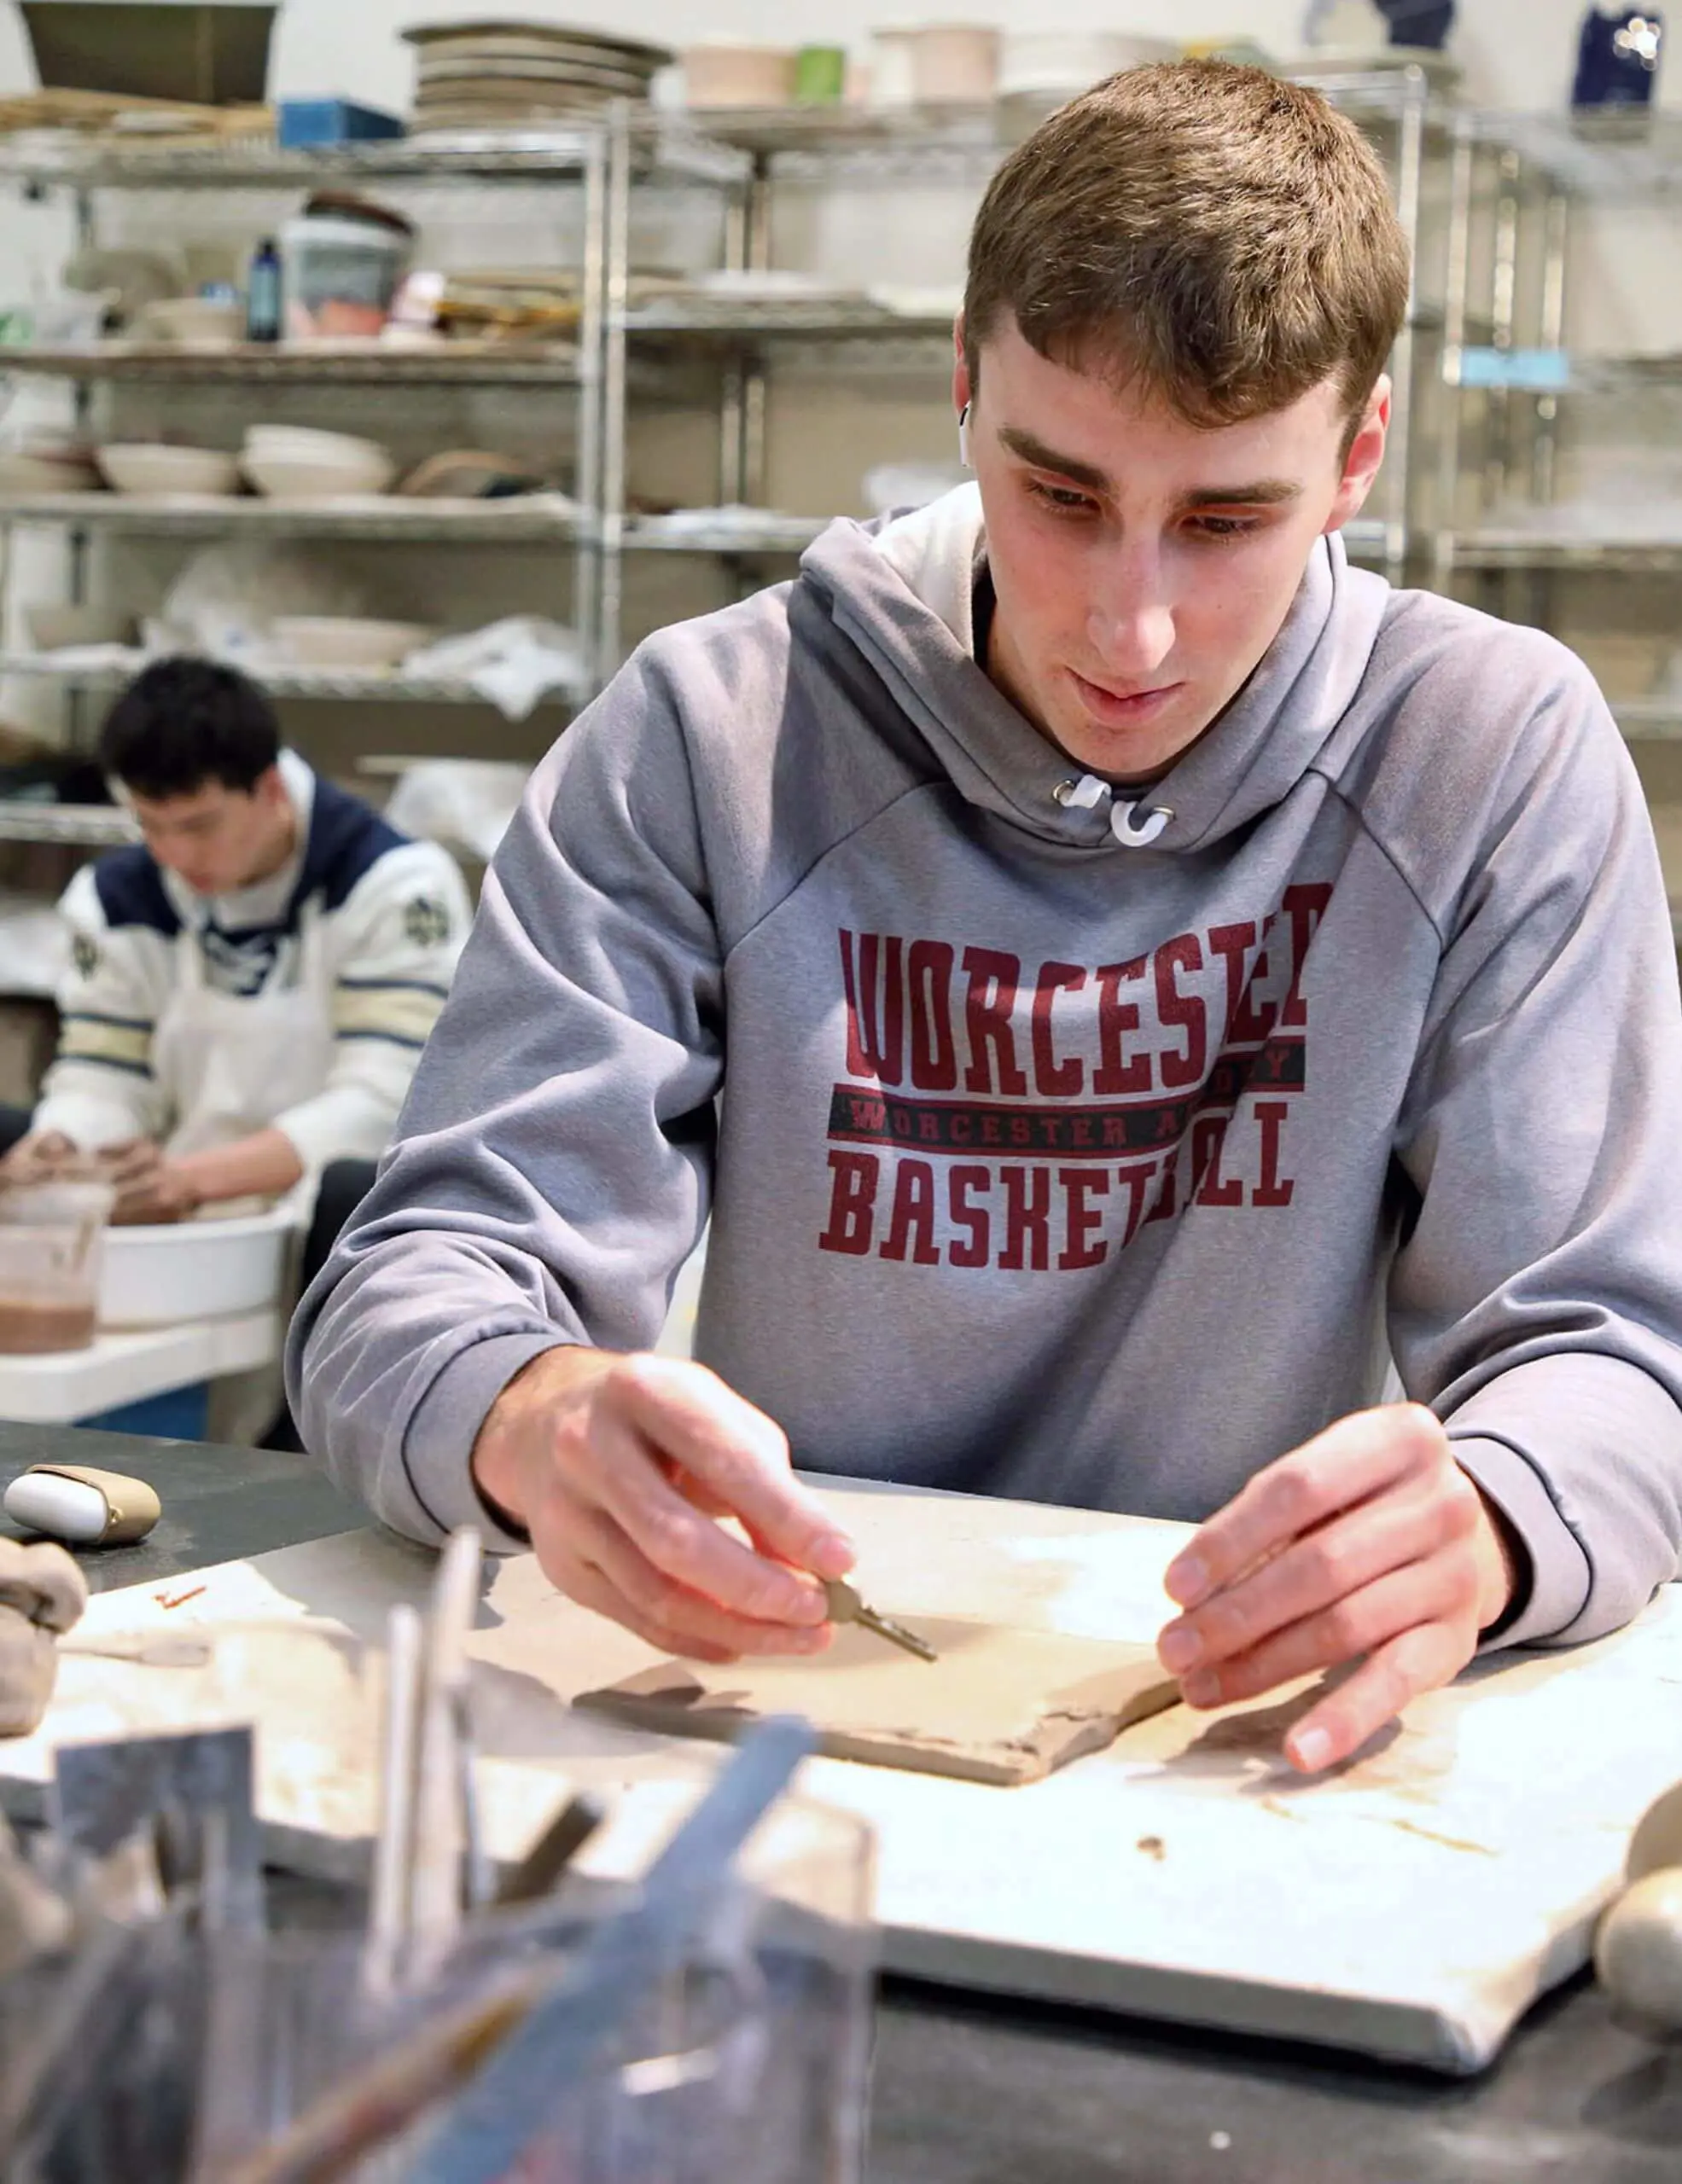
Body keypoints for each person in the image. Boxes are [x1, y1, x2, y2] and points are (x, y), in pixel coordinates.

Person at [288, 61, 1682, 1776]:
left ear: (1355, 459)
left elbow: (1612, 1352)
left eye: (1225, 520)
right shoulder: (714, 736)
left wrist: (1492, 1512)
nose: (1134, 629)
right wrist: (527, 1414)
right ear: (960, 389)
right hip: (774, 1721)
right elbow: (406, 1290)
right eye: (1062, 495)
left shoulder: (1486, 749)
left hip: (1235, 1739)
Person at [2, 657, 470, 1306]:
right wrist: (63, 1150)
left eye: (199, 826)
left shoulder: (393, 886)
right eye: (150, 826)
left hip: (333, 1230)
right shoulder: (115, 899)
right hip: (176, 1216)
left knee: (348, 1190)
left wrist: (191, 1180)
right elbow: (102, 1075)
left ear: (271, 790)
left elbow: (384, 1105)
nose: (175, 855)